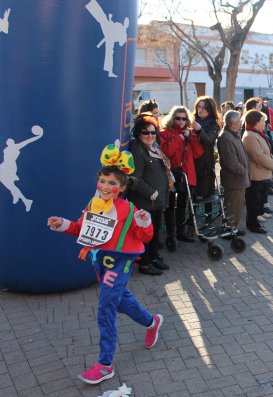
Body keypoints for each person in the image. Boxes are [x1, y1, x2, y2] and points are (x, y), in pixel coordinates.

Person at [47, 145, 163, 384]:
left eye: (112, 183)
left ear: (121, 188)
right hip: (100, 261)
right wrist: (63, 224)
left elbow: (145, 237)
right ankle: (152, 322)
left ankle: (105, 364)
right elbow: (82, 229)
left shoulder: (128, 208)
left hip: (120, 262)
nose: (105, 187)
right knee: (121, 300)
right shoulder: (93, 204)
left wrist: (143, 222)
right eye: (102, 181)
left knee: (106, 307)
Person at [128, 113, 172, 275]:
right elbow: (134, 179)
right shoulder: (138, 151)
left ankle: (154, 258)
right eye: (146, 132)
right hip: (146, 201)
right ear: (139, 134)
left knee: (154, 233)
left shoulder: (154, 148)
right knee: (145, 235)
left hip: (157, 201)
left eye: (153, 132)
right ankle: (145, 264)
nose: (150, 136)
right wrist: (152, 193)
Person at [160, 105, 203, 248]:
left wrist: (192, 138)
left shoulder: (189, 134)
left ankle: (180, 232)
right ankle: (171, 235)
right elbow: (166, 152)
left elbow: (198, 153)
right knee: (170, 205)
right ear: (173, 118)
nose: (181, 121)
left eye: (184, 118)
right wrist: (178, 138)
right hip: (172, 175)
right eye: (178, 118)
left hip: (186, 175)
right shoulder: (165, 133)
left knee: (182, 204)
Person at [242, 110, 273, 234]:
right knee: (253, 201)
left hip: (262, 172)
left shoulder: (256, 133)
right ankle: (253, 225)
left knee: (258, 200)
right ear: (256, 122)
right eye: (263, 121)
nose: (265, 123)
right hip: (256, 173)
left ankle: (256, 220)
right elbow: (259, 157)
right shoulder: (250, 136)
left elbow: (267, 152)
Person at [217, 110, 250, 233]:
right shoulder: (226, 137)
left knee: (237, 207)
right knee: (232, 207)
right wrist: (243, 171)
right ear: (233, 123)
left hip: (238, 178)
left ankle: (233, 229)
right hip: (234, 179)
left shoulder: (233, 135)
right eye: (240, 120)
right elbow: (231, 162)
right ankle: (229, 231)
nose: (241, 122)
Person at [191, 96, 221, 213]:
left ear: (210, 109)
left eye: (205, 107)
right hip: (191, 164)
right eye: (199, 106)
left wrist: (199, 130)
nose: (201, 109)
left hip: (205, 166)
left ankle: (208, 221)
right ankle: (191, 225)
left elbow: (208, 141)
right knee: (192, 197)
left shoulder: (214, 125)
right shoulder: (190, 121)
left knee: (207, 196)